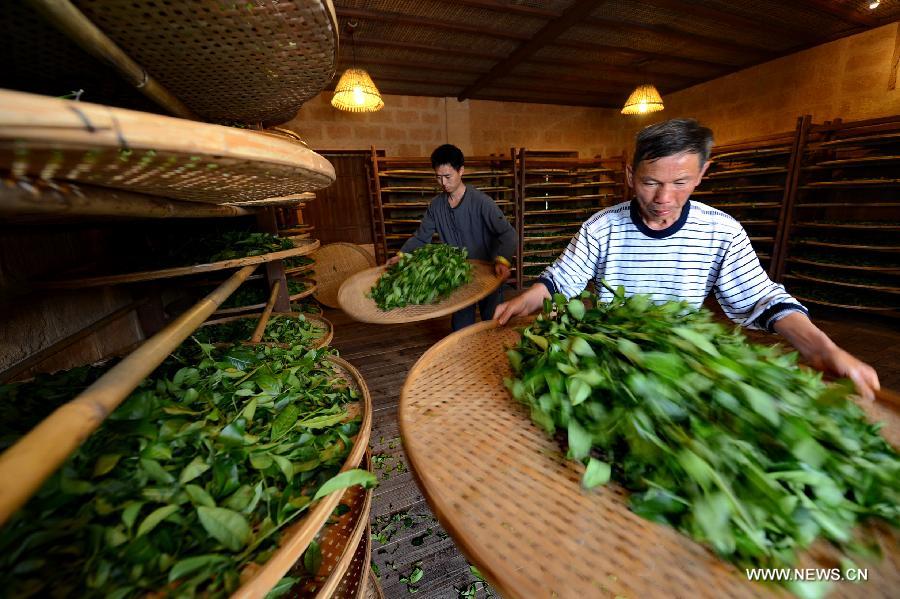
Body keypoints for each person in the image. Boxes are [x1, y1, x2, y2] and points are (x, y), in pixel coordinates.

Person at [494, 118, 880, 400]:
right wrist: (528, 298)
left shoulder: (721, 231)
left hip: (683, 362)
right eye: (650, 182)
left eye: (680, 183)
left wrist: (819, 347)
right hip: (610, 359)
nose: (664, 198)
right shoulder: (602, 227)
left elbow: (762, 298)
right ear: (631, 175)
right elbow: (564, 278)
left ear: (702, 174)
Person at [389, 143, 516, 331]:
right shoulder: (436, 206)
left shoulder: (481, 203)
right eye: (438, 177)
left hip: (488, 272)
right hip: (459, 274)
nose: (443, 183)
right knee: (461, 327)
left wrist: (502, 260)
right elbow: (421, 237)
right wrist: (401, 255)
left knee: (494, 322)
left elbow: (508, 233)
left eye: (447, 177)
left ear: (461, 171)